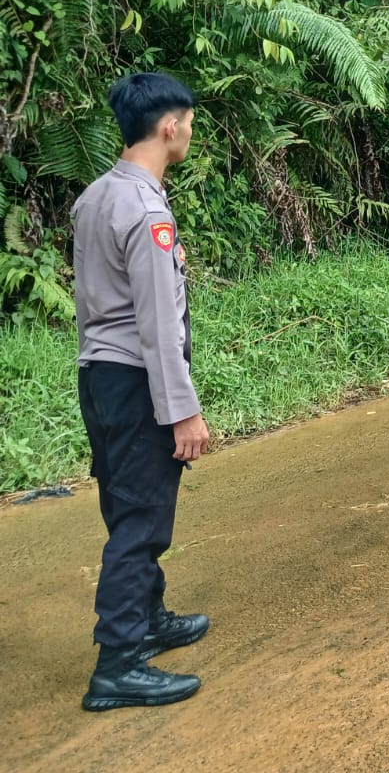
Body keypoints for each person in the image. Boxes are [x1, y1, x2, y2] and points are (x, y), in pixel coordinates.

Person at [74, 73, 210, 711]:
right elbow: (158, 326)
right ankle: (120, 662)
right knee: (141, 520)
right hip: (136, 380)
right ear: (168, 126)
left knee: (125, 502)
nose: (188, 131)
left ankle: (149, 617)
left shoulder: (94, 197)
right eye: (187, 121)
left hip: (98, 377)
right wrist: (181, 411)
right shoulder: (149, 212)